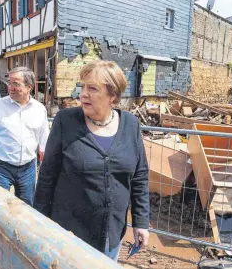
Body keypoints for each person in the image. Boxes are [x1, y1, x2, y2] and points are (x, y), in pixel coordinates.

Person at [34, 60, 150, 262]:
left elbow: (139, 176)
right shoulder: (65, 121)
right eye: (83, 87)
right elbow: (47, 176)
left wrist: (141, 222)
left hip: (110, 234)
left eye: (93, 89)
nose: (83, 94)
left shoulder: (131, 125)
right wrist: (39, 223)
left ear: (112, 95)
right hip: (69, 234)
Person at [0, 67, 49, 205]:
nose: (10, 87)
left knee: (27, 206)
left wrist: (44, 163)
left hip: (28, 168)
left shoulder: (39, 109)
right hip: (1, 167)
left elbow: (43, 138)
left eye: (16, 84)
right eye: (9, 83)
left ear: (29, 87)